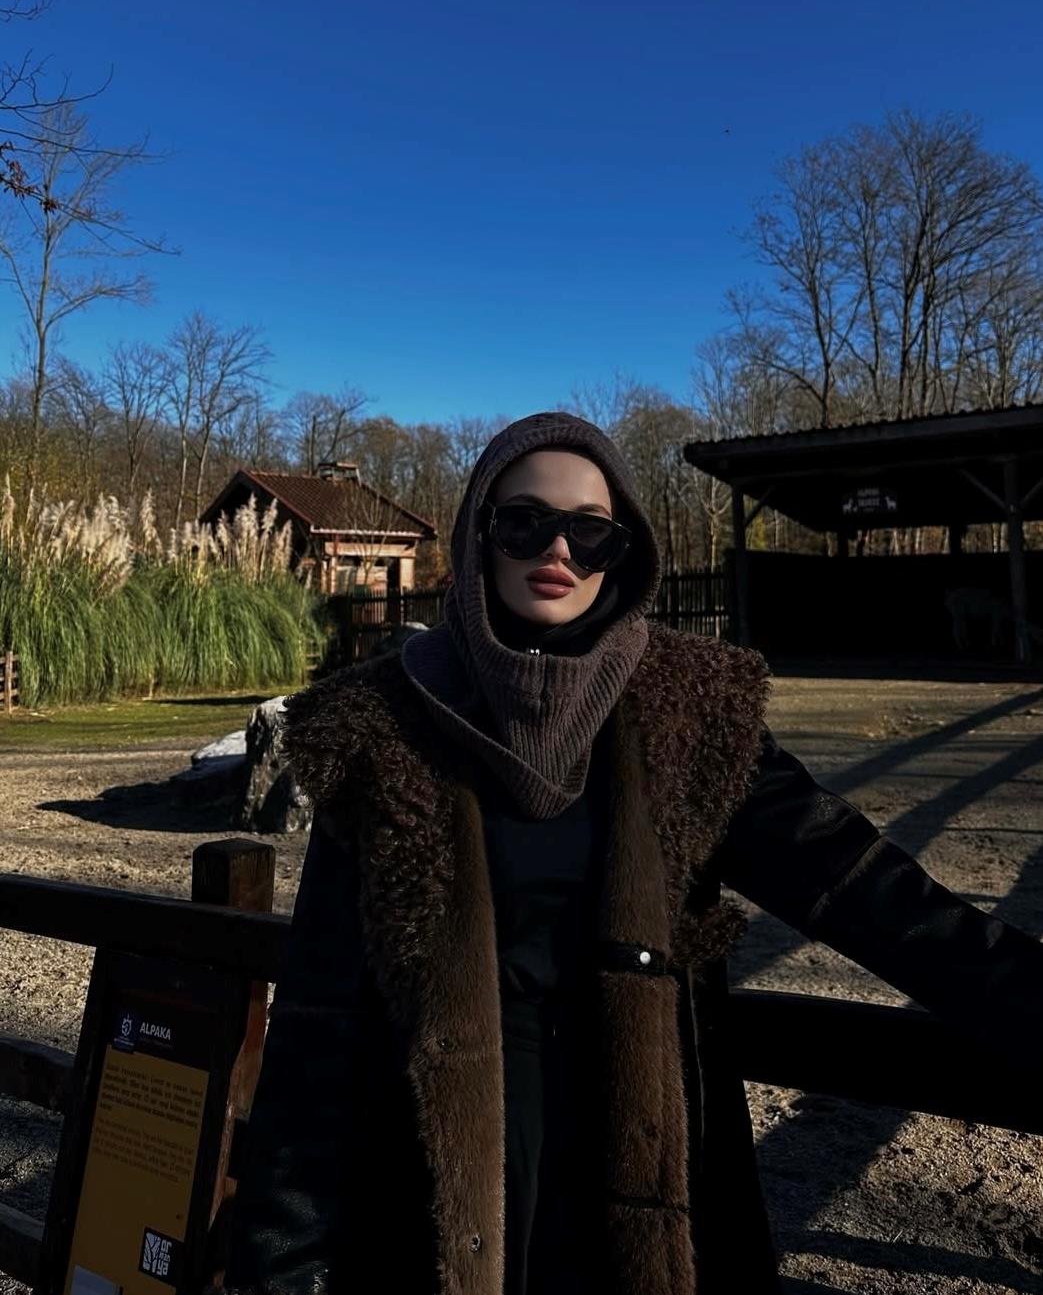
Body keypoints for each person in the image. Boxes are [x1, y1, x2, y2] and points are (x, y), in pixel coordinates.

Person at [223, 412, 1043, 1295]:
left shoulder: (692, 712)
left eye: (591, 532)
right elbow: (320, 1015)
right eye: (523, 521)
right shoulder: (378, 725)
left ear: (623, 554)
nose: (558, 549)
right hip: (430, 1161)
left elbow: (859, 888)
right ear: (478, 536)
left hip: (640, 1141)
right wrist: (280, 1259)